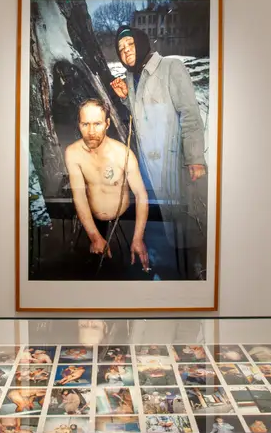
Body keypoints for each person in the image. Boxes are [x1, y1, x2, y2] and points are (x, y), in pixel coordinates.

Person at [110, 25, 208, 279]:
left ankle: (189, 276)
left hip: (171, 161)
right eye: (121, 49)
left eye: (129, 45)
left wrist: (195, 158)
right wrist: (123, 98)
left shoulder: (170, 67)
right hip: (146, 166)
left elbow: (189, 114)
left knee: (181, 222)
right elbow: (141, 115)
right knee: (156, 221)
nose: (125, 51)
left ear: (141, 43)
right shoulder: (133, 78)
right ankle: (159, 272)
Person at [64, 99, 150, 272]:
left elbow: (141, 195)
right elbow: (79, 196)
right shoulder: (73, 153)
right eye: (85, 124)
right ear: (79, 124)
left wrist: (138, 238)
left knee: (125, 271)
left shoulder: (122, 154)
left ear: (107, 123)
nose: (91, 131)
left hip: (123, 220)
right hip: (91, 221)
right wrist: (94, 236)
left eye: (97, 124)